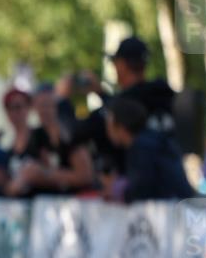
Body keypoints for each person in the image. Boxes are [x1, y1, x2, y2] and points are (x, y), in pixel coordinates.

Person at [70, 36, 176, 177]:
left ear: (121, 64)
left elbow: (75, 132)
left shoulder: (125, 105)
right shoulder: (164, 95)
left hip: (137, 183)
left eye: (115, 62)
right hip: (170, 177)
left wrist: (63, 98)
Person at [6, 84, 94, 196]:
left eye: (47, 104)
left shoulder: (69, 134)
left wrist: (46, 174)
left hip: (71, 202)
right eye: (40, 106)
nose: (44, 110)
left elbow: (85, 176)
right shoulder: (36, 136)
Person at [103, 97, 196, 203]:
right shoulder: (152, 140)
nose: (107, 131)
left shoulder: (143, 147)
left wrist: (117, 191)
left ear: (121, 127)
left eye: (110, 126)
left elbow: (142, 190)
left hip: (170, 210)